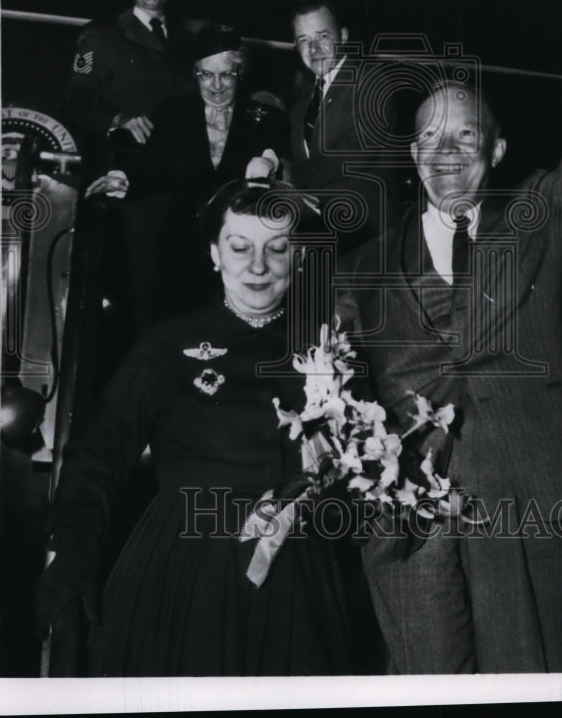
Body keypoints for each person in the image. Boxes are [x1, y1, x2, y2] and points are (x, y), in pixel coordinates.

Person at [337, 0, 562, 673]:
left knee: (528, 676)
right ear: (411, 157)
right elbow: (327, 387)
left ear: (499, 149)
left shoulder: (543, 216)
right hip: (411, 527)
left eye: (467, 135)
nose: (446, 153)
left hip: (527, 504)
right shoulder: (363, 267)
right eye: (429, 139)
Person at [36, 179, 376, 676]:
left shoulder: (332, 347)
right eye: (240, 247)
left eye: (277, 248)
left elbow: (367, 469)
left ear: (299, 257)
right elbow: (99, 456)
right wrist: (76, 545)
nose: (257, 266)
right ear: (215, 253)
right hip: (185, 568)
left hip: (300, 574)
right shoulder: (166, 346)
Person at [86, 24, 290, 329]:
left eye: (227, 74)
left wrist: (269, 161)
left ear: (241, 73)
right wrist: (121, 179)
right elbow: (148, 170)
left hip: (242, 252)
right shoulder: (174, 112)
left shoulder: (266, 118)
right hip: (181, 251)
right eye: (206, 74)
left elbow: (279, 165)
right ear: (195, 73)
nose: (216, 85)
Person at [270, 0, 394, 259]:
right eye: (304, 40)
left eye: (322, 36)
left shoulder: (370, 81)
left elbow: (357, 152)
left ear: (344, 36)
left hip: (367, 238)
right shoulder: (300, 106)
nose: (313, 49)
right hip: (317, 238)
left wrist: (292, 177)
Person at [61, 0, 194, 173]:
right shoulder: (100, 36)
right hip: (119, 172)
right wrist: (118, 119)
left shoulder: (191, 43)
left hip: (177, 173)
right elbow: (77, 101)